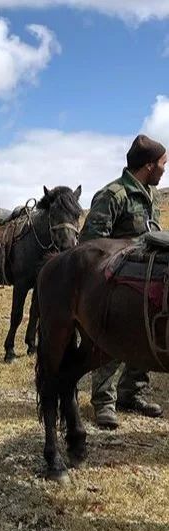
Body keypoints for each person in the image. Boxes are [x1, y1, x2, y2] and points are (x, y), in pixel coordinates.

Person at [81, 134, 167, 429]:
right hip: (114, 281)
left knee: (144, 334)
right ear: (148, 165)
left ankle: (132, 393)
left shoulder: (150, 193)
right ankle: (104, 401)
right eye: (162, 164)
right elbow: (90, 244)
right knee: (112, 338)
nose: (165, 169)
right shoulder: (112, 195)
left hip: (144, 277)